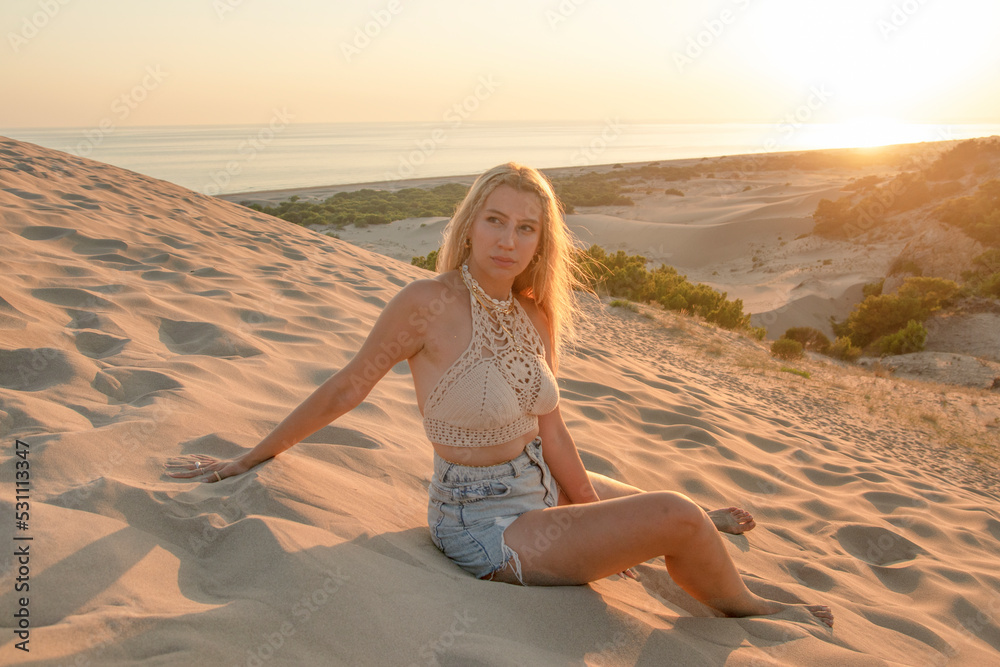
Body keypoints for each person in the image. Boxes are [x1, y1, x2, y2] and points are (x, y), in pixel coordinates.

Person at [166, 162, 833, 627]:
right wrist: (247, 458)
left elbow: (554, 431)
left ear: (541, 241)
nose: (508, 240)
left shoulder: (536, 314)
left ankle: (674, 531)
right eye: (495, 220)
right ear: (470, 224)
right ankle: (751, 607)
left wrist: (592, 519)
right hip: (481, 521)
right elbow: (346, 388)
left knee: (635, 503)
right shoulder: (426, 304)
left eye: (526, 228)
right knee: (675, 514)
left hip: (538, 480)